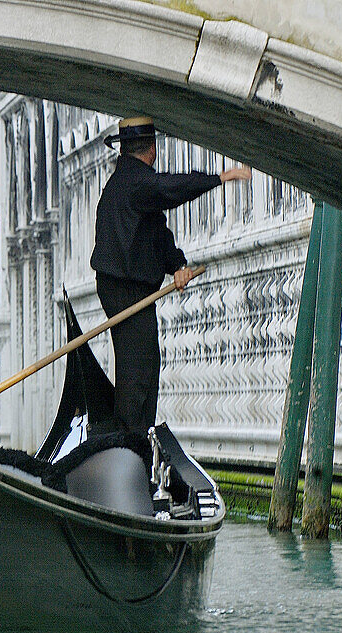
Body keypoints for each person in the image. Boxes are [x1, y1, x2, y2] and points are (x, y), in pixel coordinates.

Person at [93, 116, 251, 433]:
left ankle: (134, 439)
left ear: (123, 149)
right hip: (125, 290)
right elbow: (171, 188)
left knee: (144, 368)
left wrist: (177, 266)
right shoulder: (136, 181)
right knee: (138, 372)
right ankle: (129, 443)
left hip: (124, 287)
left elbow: (156, 232)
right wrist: (220, 178)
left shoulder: (129, 184)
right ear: (152, 149)